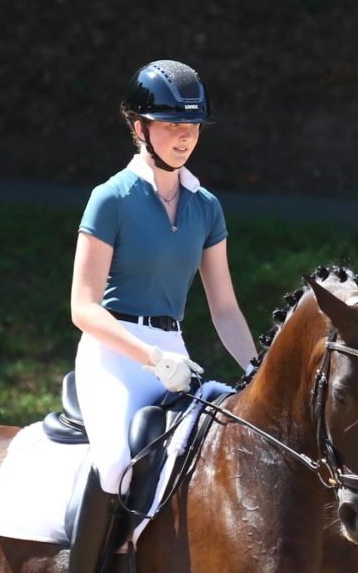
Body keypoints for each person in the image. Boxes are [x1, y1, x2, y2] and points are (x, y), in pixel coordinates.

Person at [68, 59, 257, 572]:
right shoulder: (111, 199)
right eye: (172, 125)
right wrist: (149, 355)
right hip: (115, 354)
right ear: (139, 127)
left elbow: (225, 308)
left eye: (192, 126)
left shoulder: (206, 207)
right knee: (113, 466)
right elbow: (82, 307)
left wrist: (254, 370)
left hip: (174, 352)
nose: (184, 137)